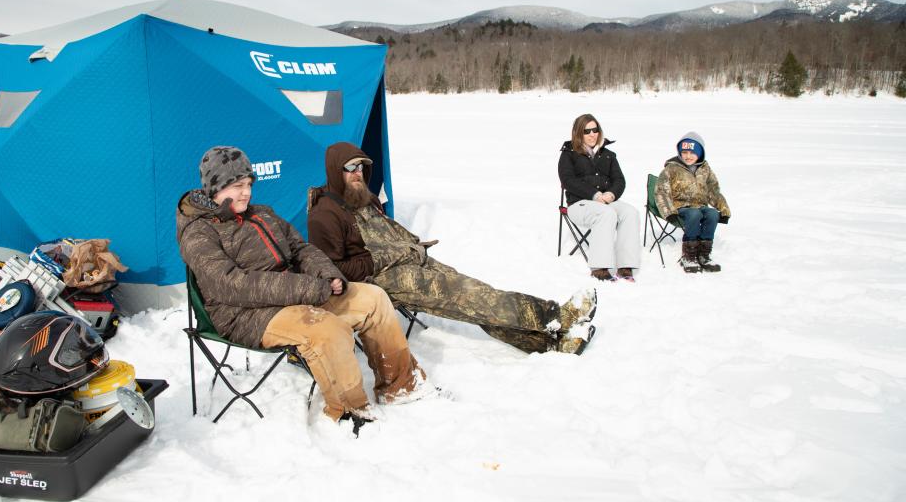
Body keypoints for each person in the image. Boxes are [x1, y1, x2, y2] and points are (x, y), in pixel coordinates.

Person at [177, 146, 432, 431]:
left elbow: (300, 249)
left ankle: (400, 386)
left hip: (294, 295)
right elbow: (231, 284)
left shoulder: (262, 213)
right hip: (245, 314)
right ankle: (350, 411)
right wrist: (310, 288)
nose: (246, 193)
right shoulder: (198, 232)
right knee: (325, 328)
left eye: (249, 184)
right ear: (215, 187)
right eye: (237, 186)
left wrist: (328, 275)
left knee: (373, 298)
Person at [306, 142, 597, 356]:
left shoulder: (362, 198)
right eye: (350, 168)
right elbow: (336, 270)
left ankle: (549, 343)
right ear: (335, 170)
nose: (358, 173)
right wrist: (395, 255)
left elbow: (386, 233)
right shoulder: (325, 215)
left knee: (476, 294)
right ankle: (556, 315)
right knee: (469, 297)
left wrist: (411, 246)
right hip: (380, 280)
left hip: (411, 259)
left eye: (361, 167)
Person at [558, 114, 641, 281]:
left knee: (630, 212)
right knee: (606, 214)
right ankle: (599, 269)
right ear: (578, 133)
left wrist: (611, 194)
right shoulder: (569, 154)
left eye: (595, 130)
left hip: (606, 201)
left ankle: (625, 266)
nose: (591, 134)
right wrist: (594, 195)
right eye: (586, 131)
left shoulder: (608, 154)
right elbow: (568, 180)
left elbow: (619, 180)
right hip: (579, 205)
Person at [654, 132, 730, 273]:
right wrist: (668, 212)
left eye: (692, 152)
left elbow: (713, 191)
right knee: (694, 214)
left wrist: (724, 209)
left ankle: (703, 255)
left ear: (700, 154)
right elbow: (661, 192)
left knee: (713, 214)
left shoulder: (705, 169)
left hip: (700, 205)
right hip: (680, 207)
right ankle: (688, 256)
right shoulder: (671, 168)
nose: (688, 156)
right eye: (684, 152)